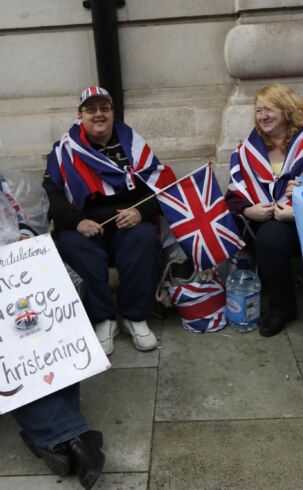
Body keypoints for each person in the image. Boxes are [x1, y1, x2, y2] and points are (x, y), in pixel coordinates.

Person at [43, 86, 172, 355]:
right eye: (91, 109)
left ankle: (134, 316)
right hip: (86, 224)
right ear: (80, 115)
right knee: (73, 244)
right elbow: (54, 198)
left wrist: (141, 212)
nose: (98, 114)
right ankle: (103, 319)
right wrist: (77, 222)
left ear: (113, 112)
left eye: (104, 108)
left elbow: (161, 189)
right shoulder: (63, 151)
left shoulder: (134, 146)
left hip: (128, 221)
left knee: (145, 238)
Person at [226, 83, 303, 345]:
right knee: (270, 237)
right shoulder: (249, 150)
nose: (263, 116)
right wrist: (249, 210)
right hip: (276, 223)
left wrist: (301, 208)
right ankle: (281, 307)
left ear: (287, 109)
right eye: (258, 110)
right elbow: (235, 195)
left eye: (269, 109)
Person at [0, 175, 105, 489]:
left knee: (52, 312)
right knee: (12, 337)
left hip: (11, 271)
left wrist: (23, 235)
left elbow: (22, 217)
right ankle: (68, 435)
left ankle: (55, 437)